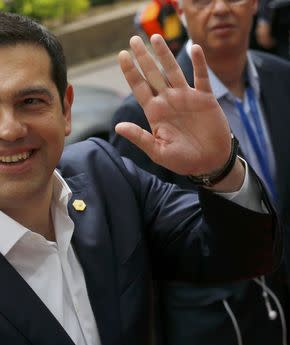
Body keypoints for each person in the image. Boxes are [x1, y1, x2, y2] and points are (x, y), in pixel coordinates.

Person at [0, 12, 279, 345]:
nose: (8, 129)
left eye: (30, 101)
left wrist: (219, 166)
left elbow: (239, 256)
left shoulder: (105, 174)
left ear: (66, 109)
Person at [110, 0, 290, 343]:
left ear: (254, 5)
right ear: (178, 9)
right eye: (203, 0)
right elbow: (143, 251)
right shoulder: (145, 114)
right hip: (218, 322)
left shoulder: (282, 75)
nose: (220, 8)